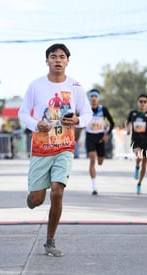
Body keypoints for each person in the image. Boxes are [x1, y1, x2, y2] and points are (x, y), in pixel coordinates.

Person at [18, 43, 92, 257]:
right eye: (53, 56)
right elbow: (23, 114)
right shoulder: (36, 86)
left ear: (68, 61)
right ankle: (32, 198)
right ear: (47, 61)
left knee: (58, 192)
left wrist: (78, 120)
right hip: (41, 149)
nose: (58, 60)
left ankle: (50, 241)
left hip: (64, 148)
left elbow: (87, 114)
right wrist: (35, 124)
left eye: (62, 56)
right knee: (38, 200)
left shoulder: (76, 87)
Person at [126, 94, 147, 195]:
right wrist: (128, 129)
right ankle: (136, 166)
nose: (143, 103)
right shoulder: (133, 113)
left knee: (144, 163)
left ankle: (139, 183)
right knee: (138, 155)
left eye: (145, 102)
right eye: (141, 101)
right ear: (137, 103)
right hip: (136, 140)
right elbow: (127, 123)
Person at [85, 89, 115, 195]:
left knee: (100, 162)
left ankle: (100, 158)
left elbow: (112, 123)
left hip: (100, 137)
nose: (93, 98)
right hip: (90, 137)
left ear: (98, 98)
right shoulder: (86, 109)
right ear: (89, 98)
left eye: (95, 96)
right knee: (92, 158)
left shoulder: (103, 109)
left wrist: (107, 134)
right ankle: (94, 187)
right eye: (91, 96)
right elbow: (78, 120)